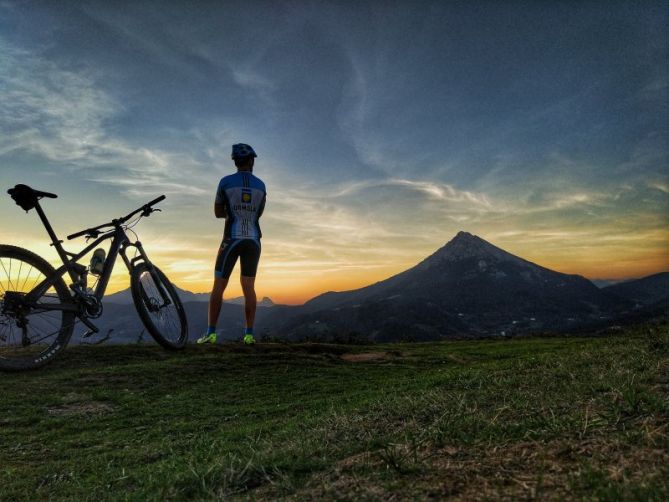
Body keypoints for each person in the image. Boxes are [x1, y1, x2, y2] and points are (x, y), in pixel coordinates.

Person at [197, 143, 267, 345]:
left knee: (219, 285)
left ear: (235, 162)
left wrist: (232, 212)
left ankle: (211, 333)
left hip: (231, 238)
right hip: (253, 240)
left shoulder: (225, 182)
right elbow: (259, 213)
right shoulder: (261, 186)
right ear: (252, 161)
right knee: (249, 287)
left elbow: (218, 212)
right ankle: (249, 335)